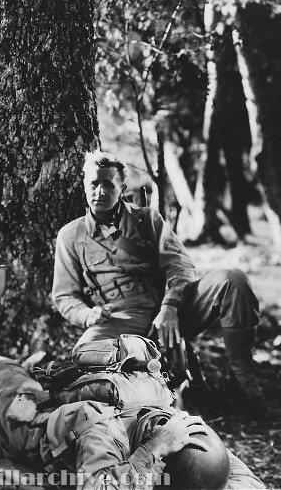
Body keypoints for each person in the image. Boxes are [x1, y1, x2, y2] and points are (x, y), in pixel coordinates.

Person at [52, 150, 265, 417]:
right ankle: (163, 383)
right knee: (84, 356)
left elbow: (180, 265)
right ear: (84, 186)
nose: (100, 191)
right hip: (119, 319)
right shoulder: (70, 236)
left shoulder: (146, 220)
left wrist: (171, 306)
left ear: (122, 188)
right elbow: (64, 296)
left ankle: (242, 381)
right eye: (94, 183)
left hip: (169, 310)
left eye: (108, 184)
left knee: (232, 280)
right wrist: (87, 314)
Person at [0, 334, 265, 490]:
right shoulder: (106, 432)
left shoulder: (185, 431)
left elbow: (246, 483)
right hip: (8, 423)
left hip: (43, 401)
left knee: (13, 377)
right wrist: (152, 452)